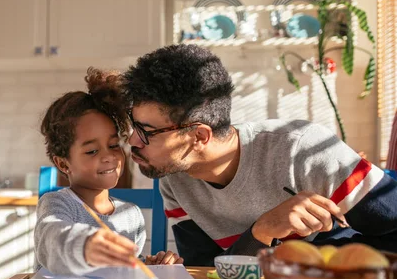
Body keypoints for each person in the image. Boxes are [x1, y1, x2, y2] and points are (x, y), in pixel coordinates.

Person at [122, 44, 397, 266]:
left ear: (199, 137)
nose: (132, 140)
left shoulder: (303, 150)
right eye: (134, 125)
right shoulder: (175, 178)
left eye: (147, 131)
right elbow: (207, 268)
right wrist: (262, 232)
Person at [35, 67, 182, 275]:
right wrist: (85, 246)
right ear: (63, 164)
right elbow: (52, 240)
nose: (109, 156)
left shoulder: (131, 215)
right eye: (92, 150)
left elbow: (124, 270)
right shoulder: (57, 204)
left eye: (114, 145)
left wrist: (151, 267)